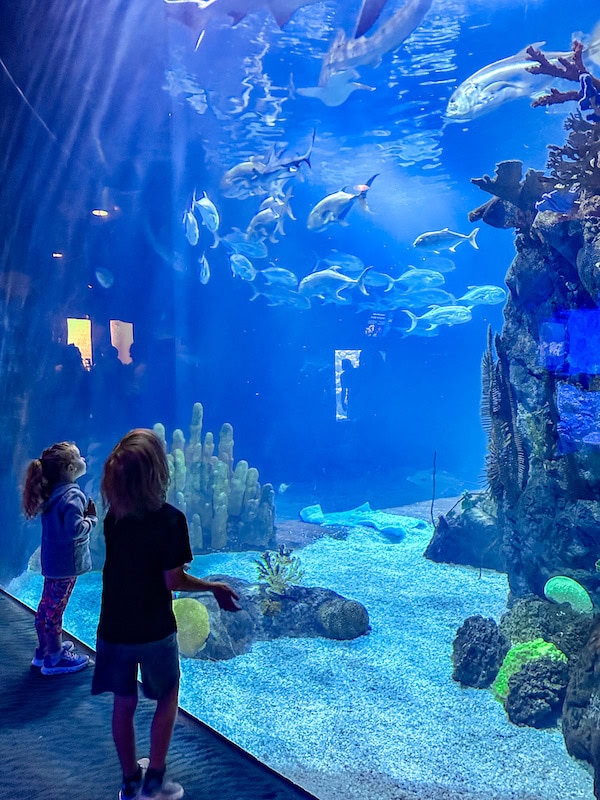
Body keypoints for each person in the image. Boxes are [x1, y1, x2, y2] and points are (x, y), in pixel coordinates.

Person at [92, 428, 240, 800]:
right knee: (167, 693)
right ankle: (154, 780)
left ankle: (129, 781)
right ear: (158, 471)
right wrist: (213, 587)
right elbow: (173, 580)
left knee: (123, 703)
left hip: (113, 626)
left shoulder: (114, 518)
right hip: (155, 627)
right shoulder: (171, 520)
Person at [22, 441, 97, 675]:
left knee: (46, 607)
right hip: (66, 564)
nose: (84, 458)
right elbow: (74, 530)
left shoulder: (53, 493)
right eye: (79, 457)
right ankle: (55, 659)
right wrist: (91, 520)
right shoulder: (73, 495)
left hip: (53, 563)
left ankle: (43, 650)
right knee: (55, 611)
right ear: (70, 468)